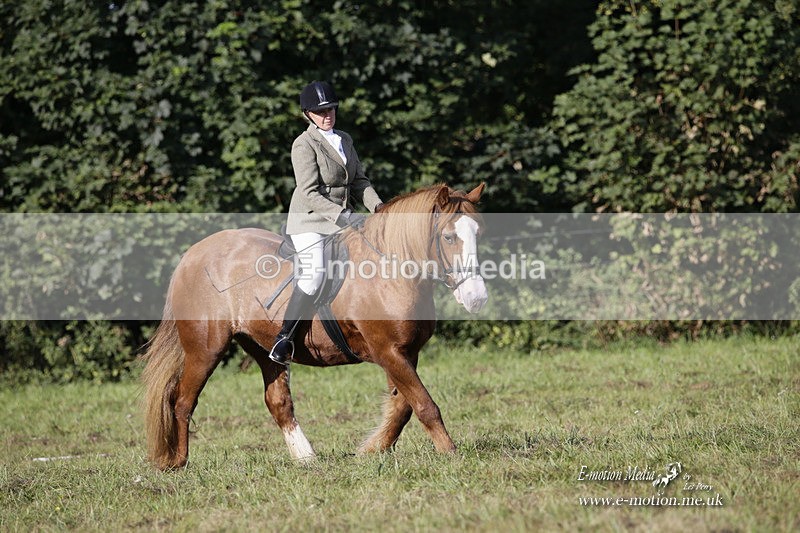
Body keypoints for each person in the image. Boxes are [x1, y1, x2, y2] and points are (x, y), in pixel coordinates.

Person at [269, 80, 384, 366]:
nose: (328, 115)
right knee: (315, 273)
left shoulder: (344, 139)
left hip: (343, 220)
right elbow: (308, 193)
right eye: (321, 111)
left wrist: (379, 208)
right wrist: (342, 216)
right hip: (311, 221)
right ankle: (285, 338)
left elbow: (359, 181)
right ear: (308, 114)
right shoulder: (303, 144)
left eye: (331, 109)